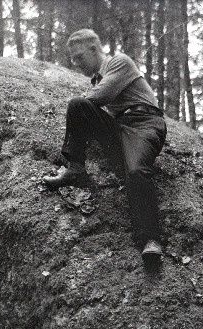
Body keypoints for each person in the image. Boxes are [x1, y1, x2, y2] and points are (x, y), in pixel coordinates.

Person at [43, 29, 167, 259]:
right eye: (72, 58)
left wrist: (82, 115)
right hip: (121, 126)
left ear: (94, 49)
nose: (75, 63)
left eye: (79, 56)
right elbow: (90, 103)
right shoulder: (97, 77)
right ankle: (75, 168)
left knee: (136, 172)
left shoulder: (119, 62)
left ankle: (150, 239)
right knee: (78, 105)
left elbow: (101, 96)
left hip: (144, 124)